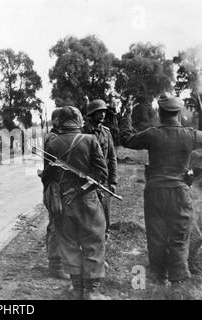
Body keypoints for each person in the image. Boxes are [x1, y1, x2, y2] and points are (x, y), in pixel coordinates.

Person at [119, 93, 202, 293]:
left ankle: (156, 278)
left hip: (155, 192)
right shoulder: (190, 135)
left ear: (160, 113)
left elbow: (126, 139)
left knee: (156, 236)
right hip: (180, 193)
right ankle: (178, 284)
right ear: (179, 112)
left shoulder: (152, 134)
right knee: (179, 236)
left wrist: (127, 114)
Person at [46, 106, 109, 300]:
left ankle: (76, 288)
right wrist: (81, 188)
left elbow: (48, 177)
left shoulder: (52, 143)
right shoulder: (90, 140)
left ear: (61, 122)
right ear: (79, 120)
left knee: (69, 242)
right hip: (87, 200)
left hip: (63, 201)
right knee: (93, 241)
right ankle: (92, 291)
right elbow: (102, 174)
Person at [82, 100, 117, 238]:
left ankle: (103, 239)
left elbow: (112, 158)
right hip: (87, 179)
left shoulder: (106, 133)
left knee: (105, 213)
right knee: (88, 215)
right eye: (99, 112)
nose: (102, 114)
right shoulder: (82, 131)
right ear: (92, 114)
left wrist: (113, 181)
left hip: (103, 180)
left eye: (104, 112)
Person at [41, 108, 69, 280]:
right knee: (56, 224)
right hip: (55, 187)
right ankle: (55, 265)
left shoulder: (56, 137)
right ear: (56, 121)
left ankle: (61, 262)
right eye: (63, 120)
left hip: (59, 185)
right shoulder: (53, 138)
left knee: (62, 223)